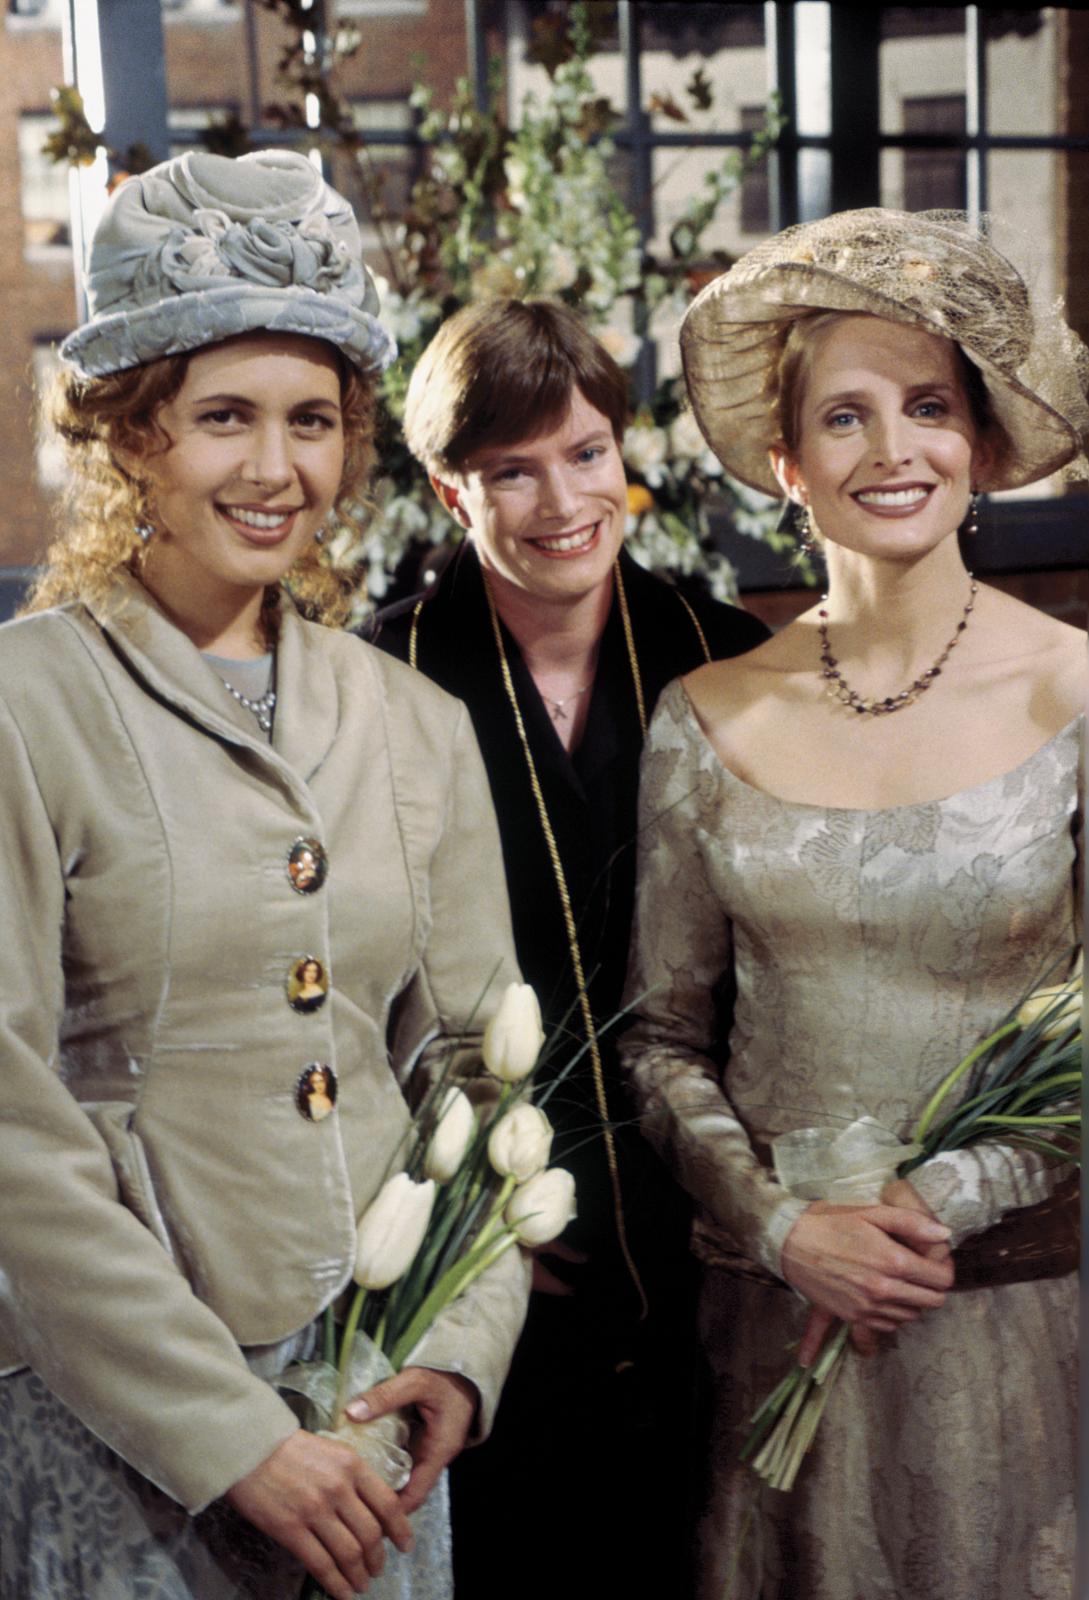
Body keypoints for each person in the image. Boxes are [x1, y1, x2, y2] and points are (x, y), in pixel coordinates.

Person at [0, 149, 529, 1600]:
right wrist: (228, 1434)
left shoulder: (414, 722)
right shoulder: (26, 706)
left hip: (373, 1400)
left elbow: (481, 1071)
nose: (274, 469)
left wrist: (458, 1348)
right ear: (132, 436)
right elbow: (7, 1117)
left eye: (312, 421)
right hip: (117, 1410)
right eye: (223, 417)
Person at [620, 207, 1085, 1600]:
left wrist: (936, 1203)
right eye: (844, 416)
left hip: (1015, 1328)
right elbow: (658, 1041)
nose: (893, 449)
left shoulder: (1075, 692)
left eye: (928, 407)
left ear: (980, 444)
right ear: (787, 466)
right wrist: (784, 1229)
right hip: (773, 1328)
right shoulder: (702, 717)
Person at [367, 297, 769, 1597]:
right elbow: (349, 995)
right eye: (511, 470)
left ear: (623, 453)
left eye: (586, 452)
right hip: (490, 1277)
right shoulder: (376, 684)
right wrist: (464, 1229)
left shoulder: (728, 658)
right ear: (450, 490)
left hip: (721, 1256)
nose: (561, 502)